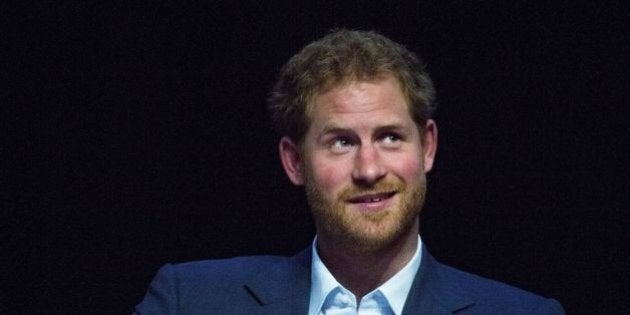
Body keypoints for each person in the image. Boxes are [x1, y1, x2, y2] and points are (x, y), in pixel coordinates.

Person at [134, 29, 564, 314]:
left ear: (428, 146)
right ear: (294, 162)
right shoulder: (188, 300)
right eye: (341, 142)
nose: (370, 168)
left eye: (390, 137)